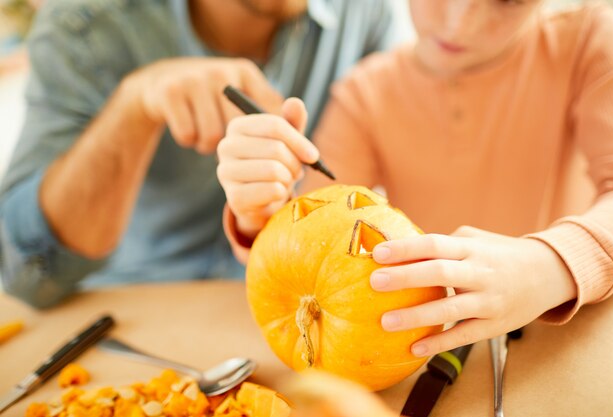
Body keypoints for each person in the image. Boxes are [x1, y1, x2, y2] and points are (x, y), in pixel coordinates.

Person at [217, 0, 613, 357]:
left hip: (574, 343)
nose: (458, 22)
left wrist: (547, 267)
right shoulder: (364, 94)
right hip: (430, 345)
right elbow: (310, 250)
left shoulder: (591, 41)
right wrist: (260, 216)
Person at [0, 0, 412, 308]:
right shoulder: (86, 24)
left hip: (283, 307)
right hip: (128, 308)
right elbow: (33, 275)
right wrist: (135, 104)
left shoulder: (367, 13)